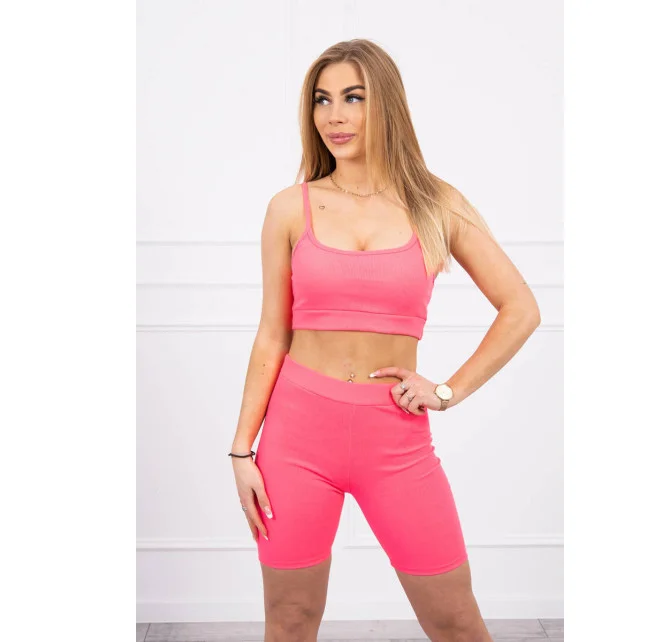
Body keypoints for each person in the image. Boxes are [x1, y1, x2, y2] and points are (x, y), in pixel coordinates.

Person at [229, 39, 540, 642]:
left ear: (387, 105)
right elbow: (272, 334)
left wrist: (447, 391)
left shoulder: (436, 204)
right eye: (322, 100)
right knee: (289, 620)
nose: (334, 115)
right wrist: (242, 451)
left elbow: (521, 308)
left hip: (395, 440)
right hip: (295, 439)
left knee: (455, 622)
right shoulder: (290, 208)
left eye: (353, 97)